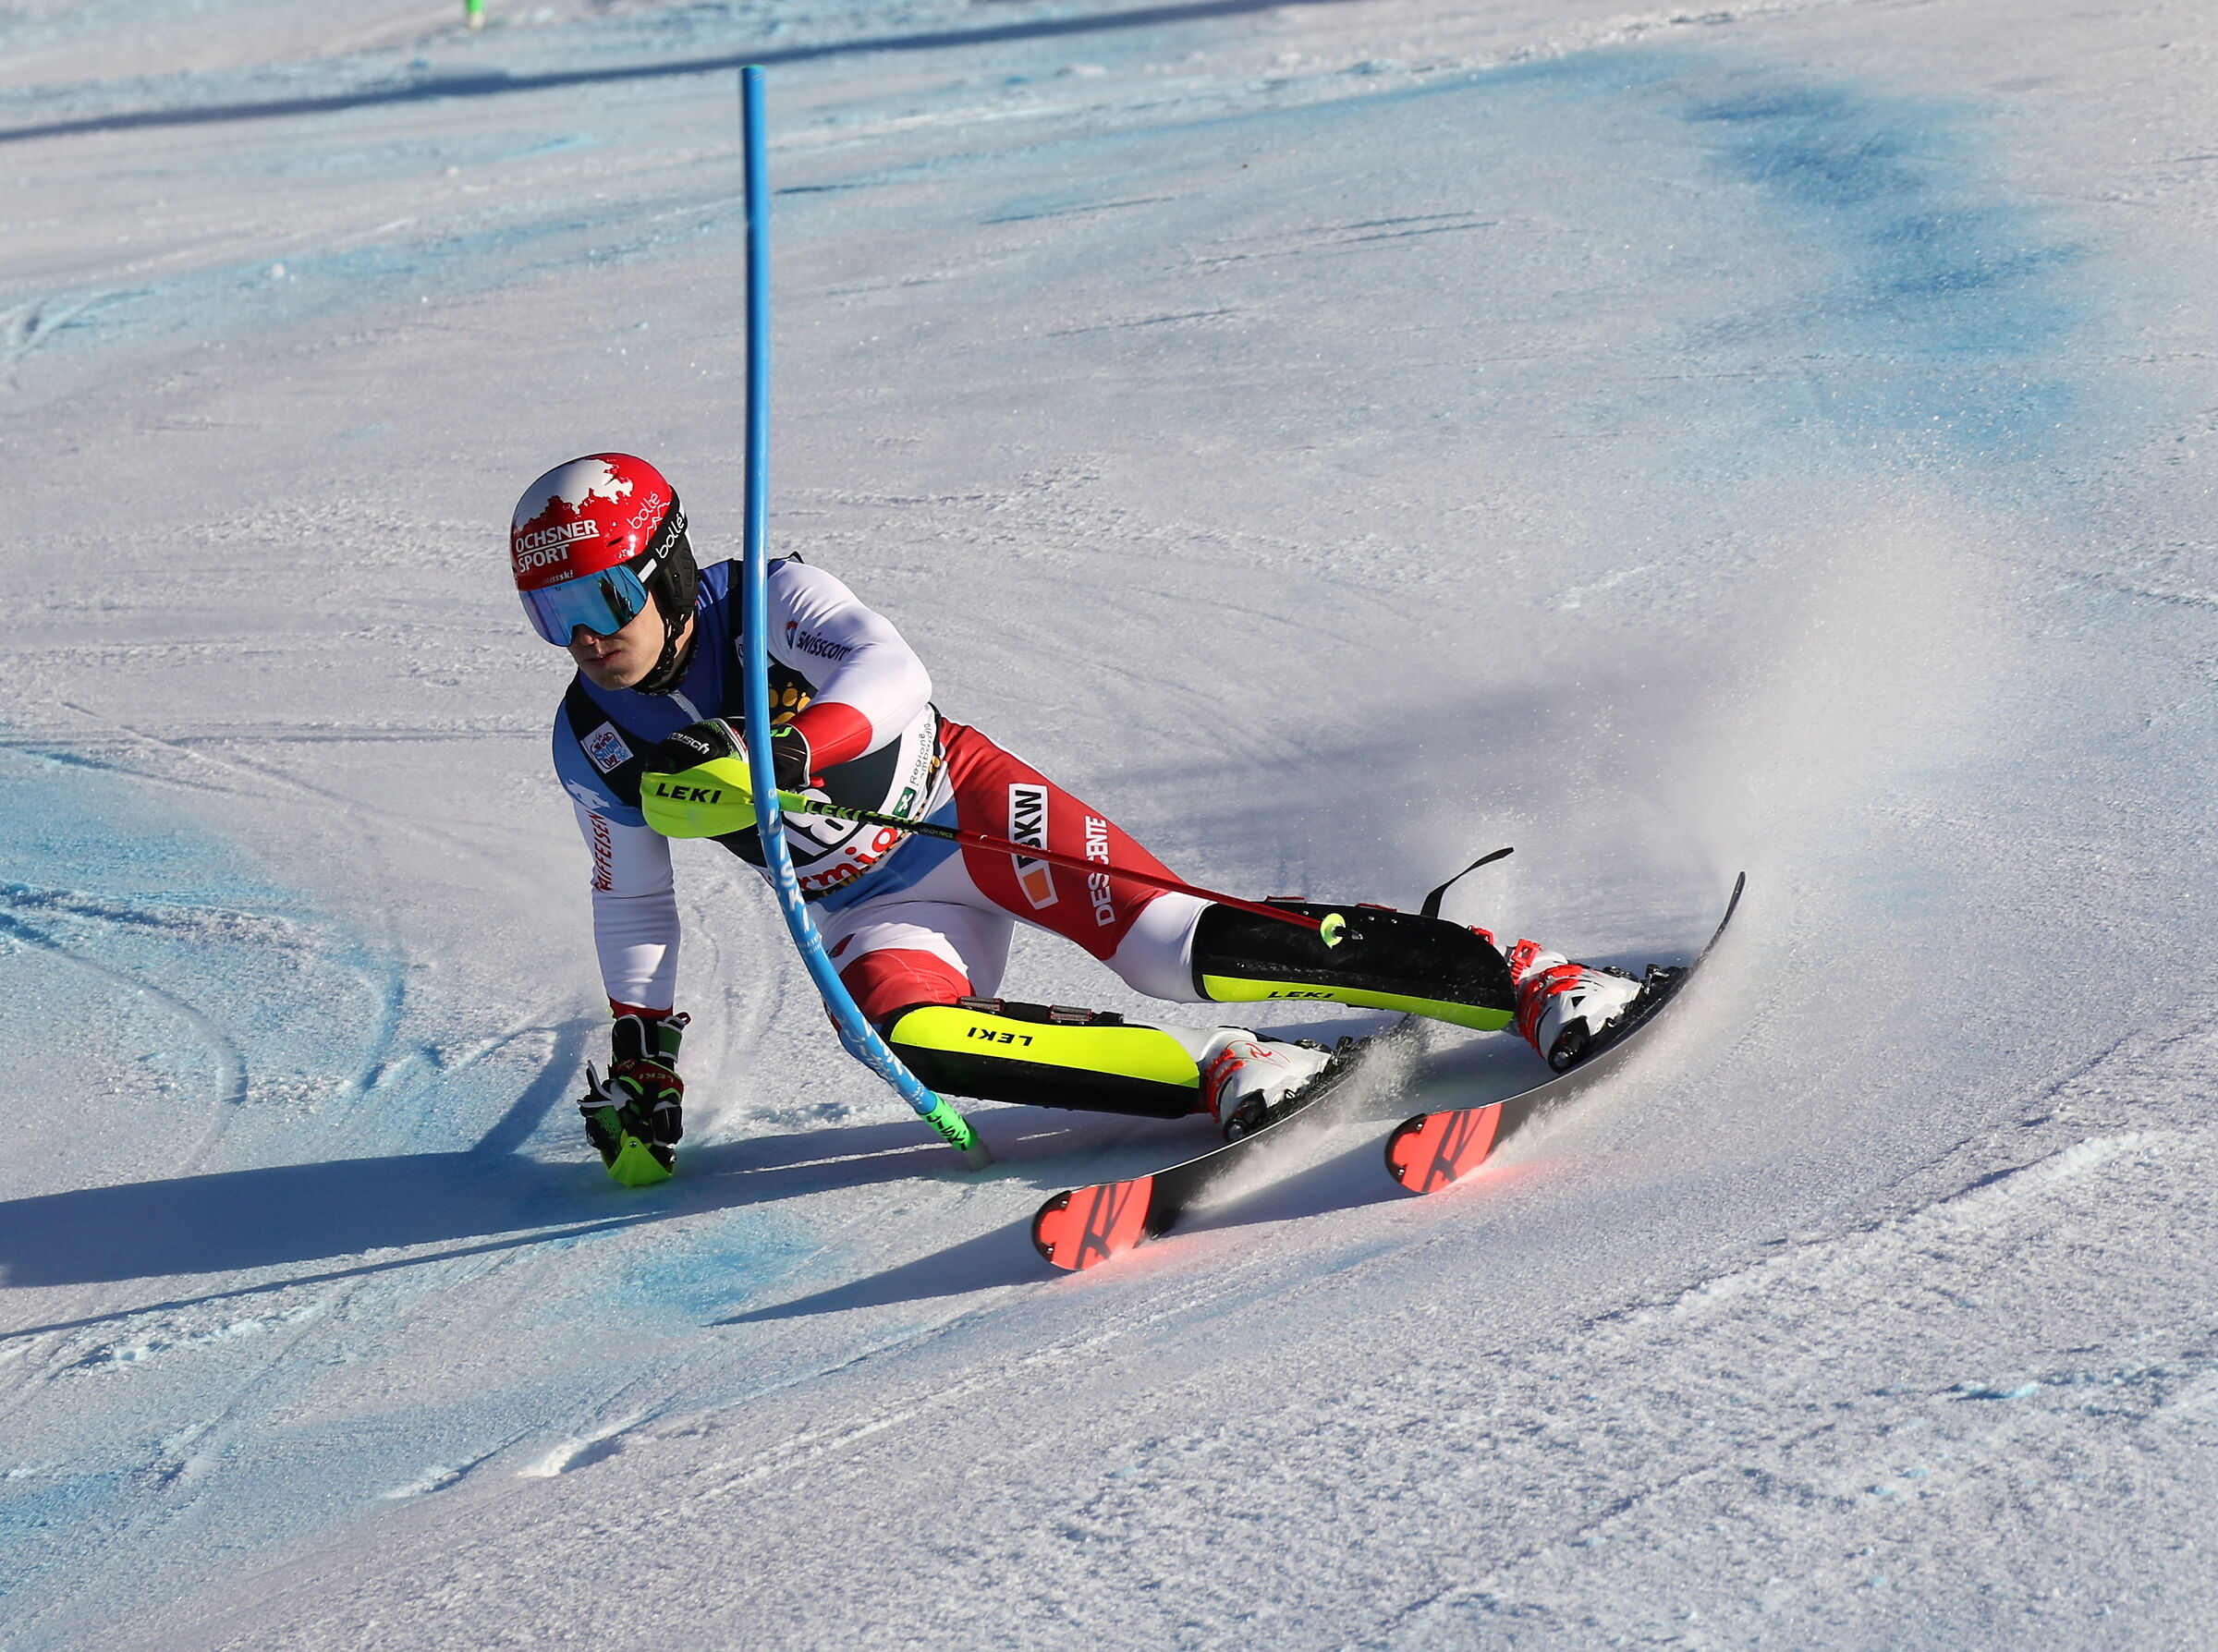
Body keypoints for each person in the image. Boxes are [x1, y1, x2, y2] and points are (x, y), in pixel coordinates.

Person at [512, 452, 1649, 1181]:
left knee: (1173, 947)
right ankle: (1225, 1068)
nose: (586, 636)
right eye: (551, 614)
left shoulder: (765, 598)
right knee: (910, 1037)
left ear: (663, 572)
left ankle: (1527, 978)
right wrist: (646, 1059)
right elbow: (636, 899)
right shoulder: (593, 743)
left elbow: (893, 674)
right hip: (868, 908)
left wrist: (788, 753)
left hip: (964, 809)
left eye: (605, 596)